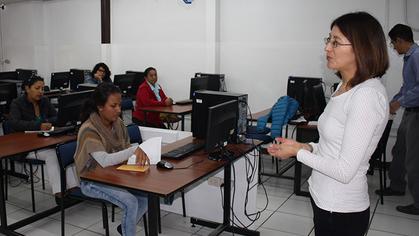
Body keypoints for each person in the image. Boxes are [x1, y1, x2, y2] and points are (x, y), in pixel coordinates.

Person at [267, 12, 389, 236]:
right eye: (328, 40)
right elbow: (331, 146)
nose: (327, 48)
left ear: (362, 47)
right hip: (323, 198)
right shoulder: (345, 86)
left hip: (341, 209)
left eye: (336, 42)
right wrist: (303, 147)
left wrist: (298, 153)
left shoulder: (366, 96)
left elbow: (344, 170)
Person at [74, 83, 149, 236]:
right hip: (92, 179)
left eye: (119, 105)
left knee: (146, 197)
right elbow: (104, 160)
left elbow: (125, 147)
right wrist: (133, 150)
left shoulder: (118, 123)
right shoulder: (89, 129)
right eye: (113, 106)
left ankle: (126, 227)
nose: (119, 110)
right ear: (100, 106)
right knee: (131, 201)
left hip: (114, 175)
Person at [8, 75, 79, 196]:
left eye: (42, 88)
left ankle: (74, 188)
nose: (41, 91)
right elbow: (15, 123)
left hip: (44, 141)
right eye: (37, 88)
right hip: (26, 146)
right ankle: (60, 192)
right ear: (27, 88)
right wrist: (39, 125)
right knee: (53, 155)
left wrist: (49, 121)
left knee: (65, 150)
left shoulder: (44, 101)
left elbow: (56, 117)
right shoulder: (17, 103)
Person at [375, 24, 419, 215]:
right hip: (410, 111)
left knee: (413, 159)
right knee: (399, 150)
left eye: (394, 44)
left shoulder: (417, 56)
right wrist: (392, 101)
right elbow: (408, 86)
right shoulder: (409, 57)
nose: (394, 47)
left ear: (401, 40)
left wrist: (399, 102)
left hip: (416, 113)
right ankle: (397, 186)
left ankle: (418, 203)